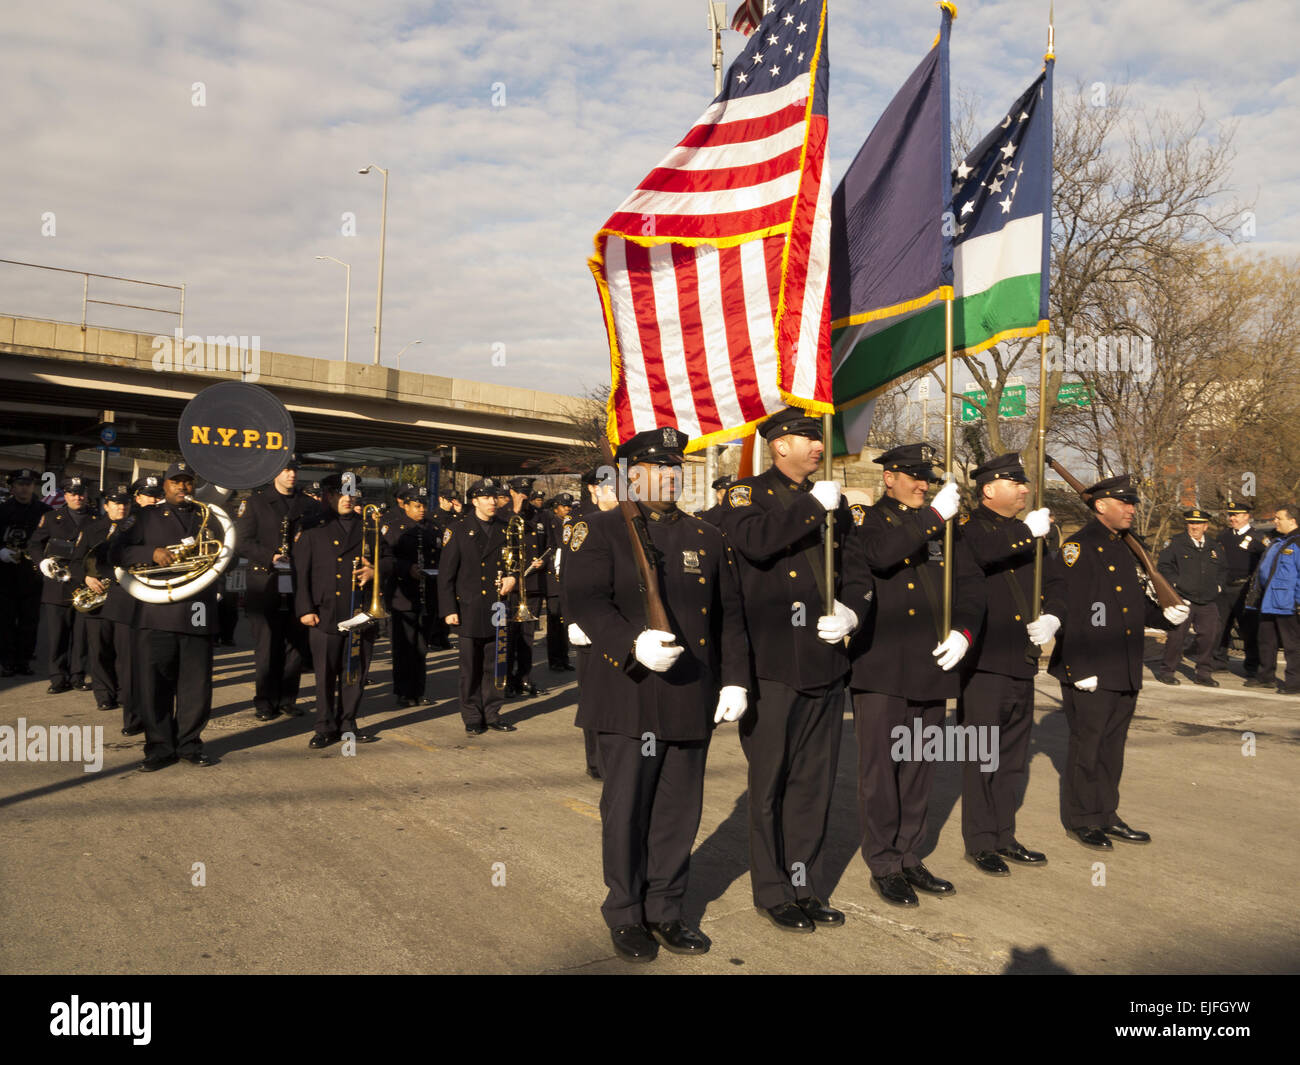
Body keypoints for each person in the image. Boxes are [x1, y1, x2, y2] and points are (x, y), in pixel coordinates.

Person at [565, 426, 748, 962]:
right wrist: (631, 642)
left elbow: (731, 617)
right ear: (628, 473)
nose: (668, 476)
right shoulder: (596, 531)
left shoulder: (707, 536)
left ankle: (666, 908)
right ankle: (625, 912)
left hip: (690, 694)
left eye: (674, 468)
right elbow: (585, 601)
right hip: (628, 693)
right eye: (656, 467)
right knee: (626, 810)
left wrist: (735, 678)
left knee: (677, 811)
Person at [720, 407, 866, 932]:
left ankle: (804, 884)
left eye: (817, 437)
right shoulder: (745, 495)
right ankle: (773, 890)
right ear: (779, 445)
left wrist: (852, 610)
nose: (817, 446)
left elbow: (856, 568)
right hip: (773, 665)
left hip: (826, 662)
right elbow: (756, 545)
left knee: (813, 784)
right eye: (807, 437)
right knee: (770, 786)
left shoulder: (834, 501)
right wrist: (810, 508)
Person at [843, 444, 985, 906]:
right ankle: (883, 861)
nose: (923, 485)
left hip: (933, 664)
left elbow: (969, 586)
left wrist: (963, 632)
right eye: (914, 477)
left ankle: (908, 854)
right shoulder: (870, 521)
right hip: (883, 668)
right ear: (890, 479)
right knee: (881, 772)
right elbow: (882, 557)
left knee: (920, 769)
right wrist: (932, 519)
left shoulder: (944, 526)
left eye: (927, 478)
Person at [1037, 475, 1189, 847]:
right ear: (1101, 505)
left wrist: (1161, 617)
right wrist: (1078, 666)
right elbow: (1069, 609)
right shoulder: (1078, 547)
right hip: (1089, 666)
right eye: (1124, 503)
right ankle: (1082, 818)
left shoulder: (1126, 547)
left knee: (1112, 748)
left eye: (1133, 503)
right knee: (1086, 748)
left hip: (1123, 663)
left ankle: (1107, 813)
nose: (1131, 510)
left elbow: (1128, 605)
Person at [956, 453, 1053, 876]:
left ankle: (1003, 834)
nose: (1025, 490)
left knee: (1013, 757)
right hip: (985, 662)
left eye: (1025, 483)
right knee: (983, 755)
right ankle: (980, 841)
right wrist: (1025, 536)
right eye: (1016, 484)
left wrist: (1055, 616)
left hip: (1022, 659)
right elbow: (977, 556)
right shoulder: (967, 530)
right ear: (989, 489)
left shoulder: (1031, 530)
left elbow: (1057, 583)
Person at [108, 461, 222, 771]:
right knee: (154, 685)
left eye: (187, 481)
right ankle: (159, 748)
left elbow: (227, 553)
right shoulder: (145, 516)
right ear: (165, 485)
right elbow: (116, 552)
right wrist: (152, 553)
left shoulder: (208, 517)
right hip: (157, 612)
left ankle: (190, 744)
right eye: (176, 482)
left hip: (198, 611)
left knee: (195, 686)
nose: (182, 487)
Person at [293, 473, 388, 748]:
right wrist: (305, 609)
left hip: (360, 611)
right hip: (325, 611)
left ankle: (349, 722)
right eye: (341, 493)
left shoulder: (369, 526)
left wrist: (375, 570)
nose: (347, 498)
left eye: (352, 493)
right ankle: (324, 726)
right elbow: (301, 573)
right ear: (329, 496)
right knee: (324, 674)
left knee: (354, 672)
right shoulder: (313, 526)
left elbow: (391, 560)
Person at [235, 455, 318, 721]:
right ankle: (265, 701)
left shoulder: (307, 504)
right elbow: (242, 541)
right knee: (267, 646)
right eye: (286, 470)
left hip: (297, 581)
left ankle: (287, 699)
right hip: (265, 581)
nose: (291, 475)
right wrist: (270, 556)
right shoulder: (257, 502)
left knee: (296, 645)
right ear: (274, 472)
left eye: (294, 470)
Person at [437, 478, 519, 735]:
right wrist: (449, 609)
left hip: (497, 606)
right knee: (470, 667)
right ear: (474, 501)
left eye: (494, 497)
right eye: (485, 498)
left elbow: (514, 562)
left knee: (496, 664)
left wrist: (513, 577)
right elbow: (446, 574)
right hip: (469, 606)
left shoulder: (506, 528)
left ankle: (493, 713)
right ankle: (472, 715)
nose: (492, 502)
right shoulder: (458, 529)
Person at [70, 483, 133, 713]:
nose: (121, 508)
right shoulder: (91, 529)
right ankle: (104, 695)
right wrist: (86, 578)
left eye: (125, 503)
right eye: (116, 503)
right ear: (106, 506)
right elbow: (76, 561)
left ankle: (125, 693)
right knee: (99, 651)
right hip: (97, 597)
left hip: (124, 595)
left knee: (125, 651)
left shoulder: (137, 528)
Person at [30, 475, 95, 693]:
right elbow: (35, 544)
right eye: (73, 493)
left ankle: (77, 675)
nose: (78, 497)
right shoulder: (50, 518)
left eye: (82, 493)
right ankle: (58, 676)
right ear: (65, 495)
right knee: (58, 634)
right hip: (57, 583)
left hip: (85, 584)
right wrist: (42, 562)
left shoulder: (97, 519)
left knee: (81, 635)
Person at [382, 483, 440, 706]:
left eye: (424, 505)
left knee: (421, 646)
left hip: (427, 594)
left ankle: (418, 690)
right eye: (417, 505)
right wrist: (407, 568)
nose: (421, 509)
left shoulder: (433, 528)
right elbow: (387, 559)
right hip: (402, 595)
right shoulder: (394, 528)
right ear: (405, 506)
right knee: (404, 646)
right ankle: (403, 691)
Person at [1155, 508, 1226, 687]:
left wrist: (1218, 586)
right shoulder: (1175, 543)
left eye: (1198, 523)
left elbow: (1223, 570)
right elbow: (1164, 566)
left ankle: (1203, 674)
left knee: (1210, 636)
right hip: (1183, 598)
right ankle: (1167, 671)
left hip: (1207, 599)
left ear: (1206, 526)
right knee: (1176, 637)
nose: (1194, 527)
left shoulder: (1214, 546)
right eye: (1191, 523)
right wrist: (1176, 584)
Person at [503, 476, 551, 697]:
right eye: (520, 491)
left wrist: (544, 561)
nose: (525, 495)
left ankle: (524, 678)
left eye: (527, 491)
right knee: (509, 636)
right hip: (511, 585)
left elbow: (551, 546)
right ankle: (506, 680)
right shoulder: (503, 515)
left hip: (532, 584)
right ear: (511, 492)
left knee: (528, 636)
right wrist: (514, 510)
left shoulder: (540, 515)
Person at [0, 467, 51, 677]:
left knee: (30, 621)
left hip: (31, 573)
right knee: (5, 620)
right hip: (5, 573)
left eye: (28, 484)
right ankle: (7, 661)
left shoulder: (44, 511)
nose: (24, 488)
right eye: (20, 484)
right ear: (12, 487)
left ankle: (24, 660)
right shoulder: (2, 511)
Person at [1245, 503, 1300, 694]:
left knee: (1292, 646)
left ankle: (1294, 683)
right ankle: (1265, 676)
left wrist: (1298, 602)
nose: (1274, 521)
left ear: (1292, 521)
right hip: (1268, 600)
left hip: (1288, 604)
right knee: (1266, 641)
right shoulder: (1278, 541)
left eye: (1279, 518)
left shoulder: (1297, 543)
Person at [1213, 503, 1268, 675]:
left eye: (1236, 514)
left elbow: (1267, 563)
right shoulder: (1224, 536)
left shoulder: (1259, 538)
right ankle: (1218, 662)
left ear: (1247, 516)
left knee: (1249, 628)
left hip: (1245, 589)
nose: (1232, 518)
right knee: (1220, 626)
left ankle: (1252, 666)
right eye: (1231, 514)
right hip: (1224, 588)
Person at [544, 493, 576, 672]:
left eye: (569, 506)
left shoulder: (570, 524)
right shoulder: (552, 523)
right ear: (555, 507)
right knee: (555, 622)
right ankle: (554, 659)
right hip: (553, 577)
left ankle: (563, 657)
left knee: (565, 621)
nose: (567, 509)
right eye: (564, 506)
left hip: (566, 577)